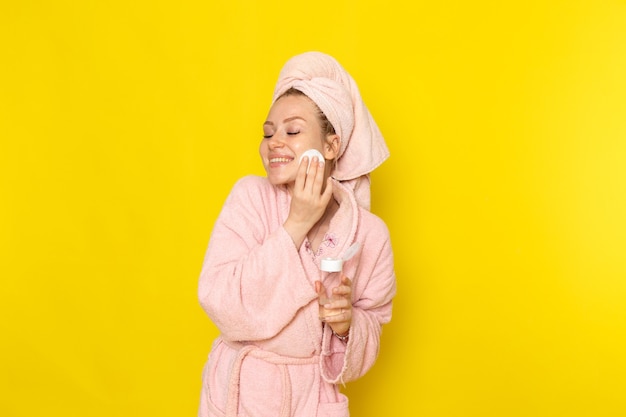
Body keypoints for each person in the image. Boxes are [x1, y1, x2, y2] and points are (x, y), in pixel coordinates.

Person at [197, 51, 396, 417]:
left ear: (332, 145)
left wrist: (346, 325)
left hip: (313, 400)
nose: (274, 141)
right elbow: (220, 300)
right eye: (268, 132)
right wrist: (296, 223)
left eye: (292, 131)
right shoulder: (249, 197)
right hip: (241, 394)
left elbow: (374, 324)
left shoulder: (369, 234)